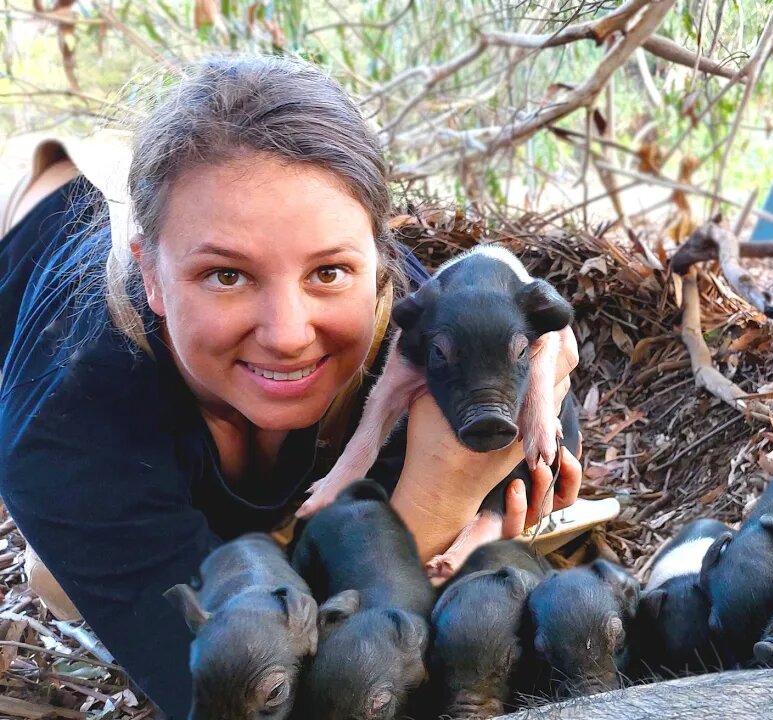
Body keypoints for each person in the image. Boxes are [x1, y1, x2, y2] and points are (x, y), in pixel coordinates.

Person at [0, 55, 582, 717]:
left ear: (380, 258)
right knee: (58, 577)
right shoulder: (74, 416)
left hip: (167, 204)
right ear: (154, 277)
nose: (287, 333)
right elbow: (253, 696)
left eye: (329, 272)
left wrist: (495, 483)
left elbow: (543, 390)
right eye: (227, 276)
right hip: (27, 201)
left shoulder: (416, 322)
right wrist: (436, 498)